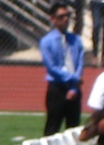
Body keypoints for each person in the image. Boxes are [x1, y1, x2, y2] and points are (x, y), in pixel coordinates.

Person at [41, 2, 84, 135]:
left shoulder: (76, 40)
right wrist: (74, 78)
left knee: (73, 128)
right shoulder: (46, 41)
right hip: (57, 88)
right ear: (53, 19)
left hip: (74, 87)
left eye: (67, 16)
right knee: (52, 127)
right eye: (61, 16)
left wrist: (73, 87)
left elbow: (79, 63)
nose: (65, 19)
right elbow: (52, 67)